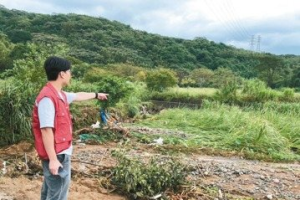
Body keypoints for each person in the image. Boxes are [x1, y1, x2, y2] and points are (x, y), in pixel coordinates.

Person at [32, 56, 108, 200]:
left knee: (51, 191)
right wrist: (53, 160)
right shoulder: (48, 98)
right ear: (61, 74)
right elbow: (46, 130)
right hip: (57, 154)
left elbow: (78, 95)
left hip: (60, 151)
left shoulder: (59, 94)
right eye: (69, 71)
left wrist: (97, 95)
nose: (70, 75)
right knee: (58, 195)